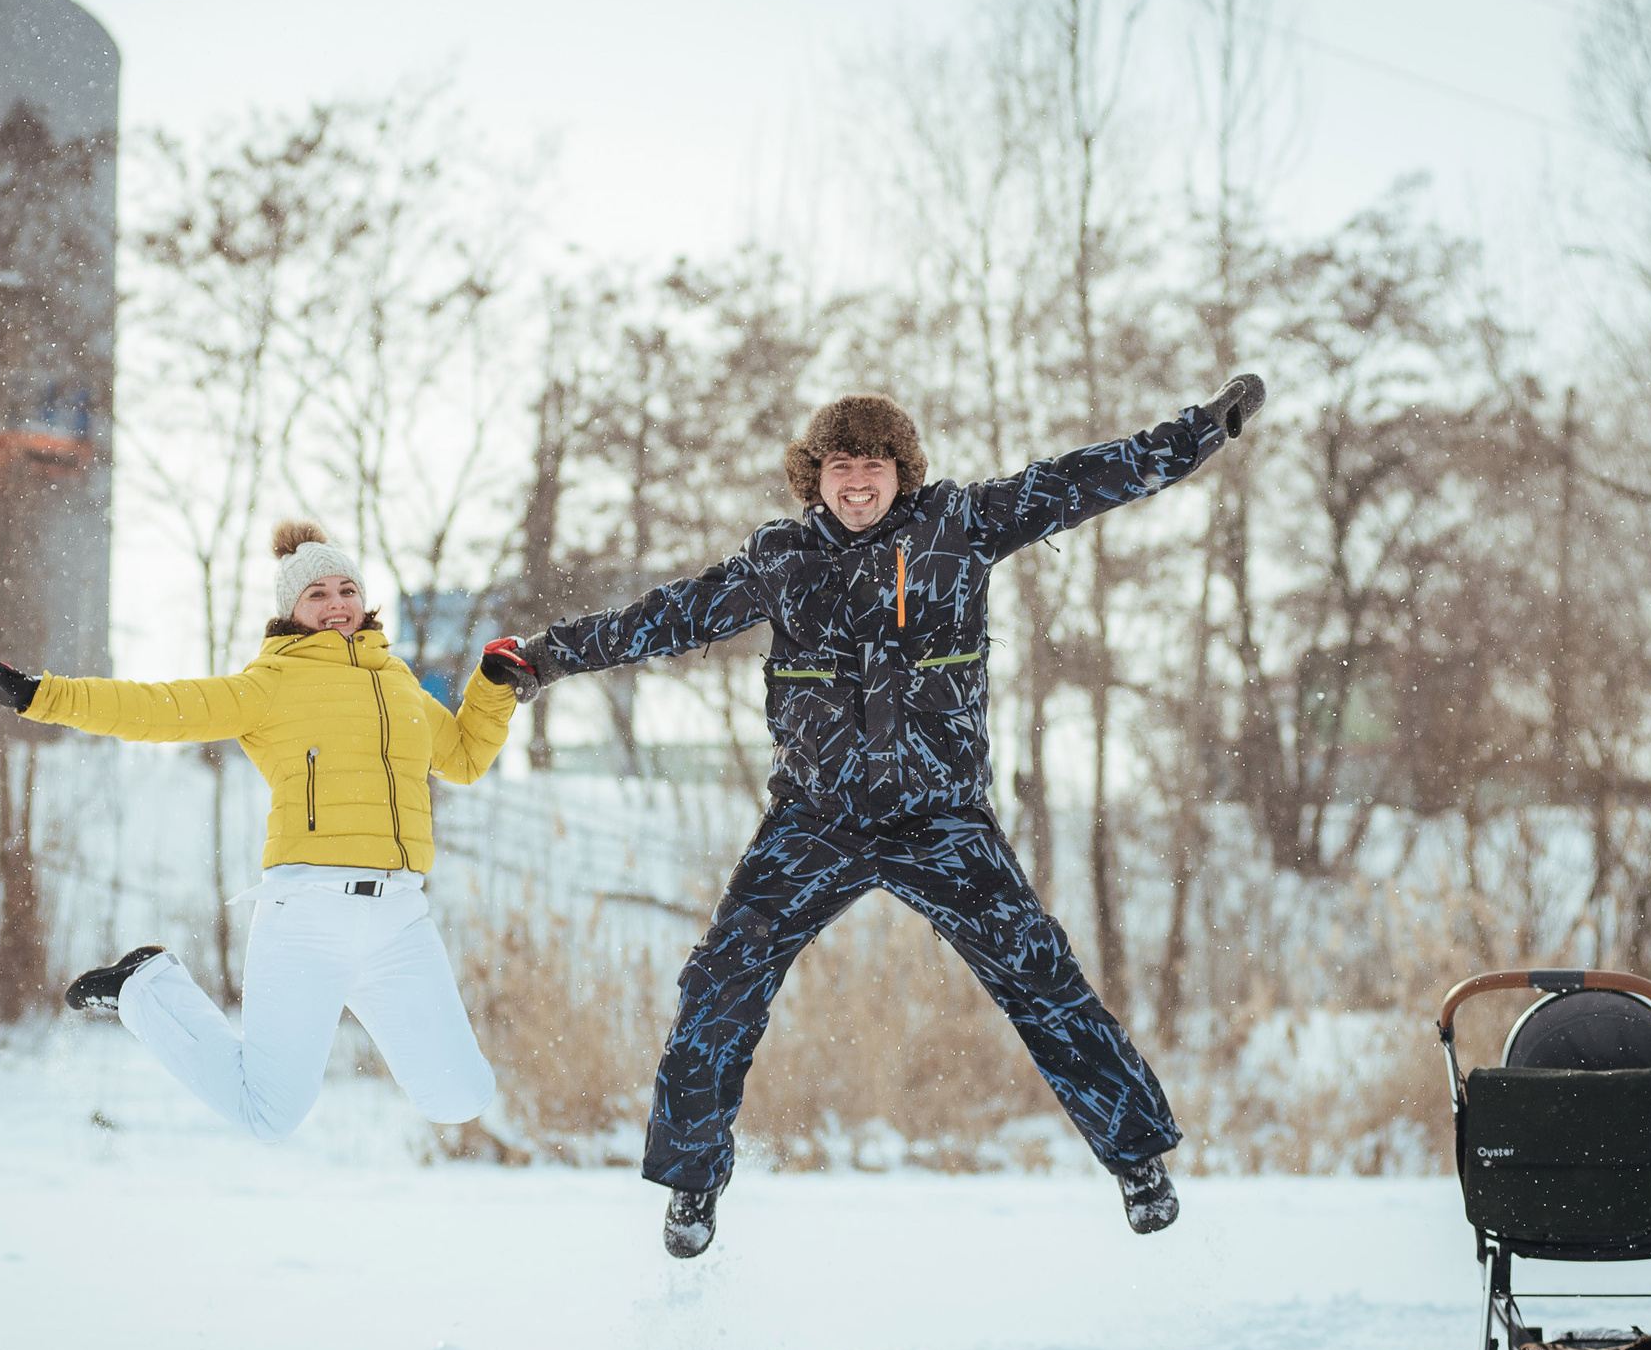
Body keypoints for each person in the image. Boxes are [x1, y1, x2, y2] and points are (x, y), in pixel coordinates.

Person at [495, 377, 1266, 1256]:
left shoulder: (960, 527)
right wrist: (549, 657)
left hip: (940, 818)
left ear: (903, 471)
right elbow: (668, 616)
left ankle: (1137, 1161)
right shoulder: (781, 560)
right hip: (815, 820)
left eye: (874, 465)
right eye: (838, 466)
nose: (857, 482)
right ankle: (691, 1182)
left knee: (1039, 973)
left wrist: (1198, 434)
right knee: (721, 980)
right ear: (811, 476)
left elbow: (1082, 480)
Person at [0, 519, 525, 1141]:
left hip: (399, 923)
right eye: (317, 595)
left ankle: (149, 988)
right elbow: (156, 708)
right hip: (307, 917)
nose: (336, 604)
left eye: (345, 589)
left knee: (461, 1096)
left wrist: (492, 688)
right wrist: (37, 694)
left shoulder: (401, 685)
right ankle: (146, 987)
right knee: (270, 1115)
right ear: (292, 610)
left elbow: (465, 758)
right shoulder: (270, 684)